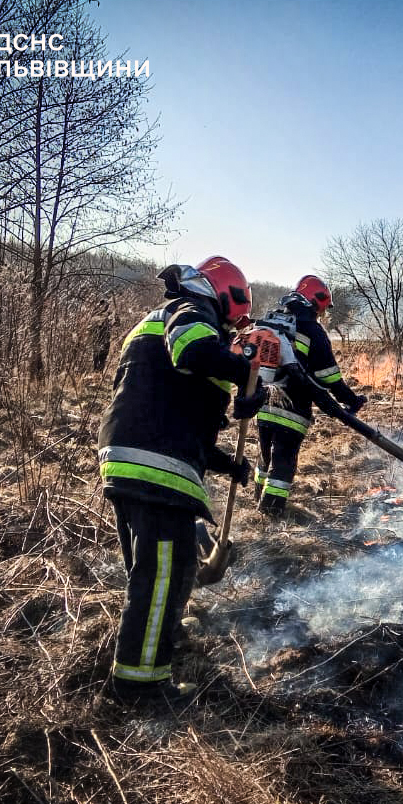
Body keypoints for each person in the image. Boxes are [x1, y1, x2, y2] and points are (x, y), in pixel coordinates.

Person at [97, 256, 266, 706]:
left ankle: (160, 642)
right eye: (237, 319)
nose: (234, 331)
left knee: (155, 572)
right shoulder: (191, 312)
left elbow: (174, 417)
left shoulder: (164, 321)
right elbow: (191, 351)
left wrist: (227, 463)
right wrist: (245, 372)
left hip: (134, 458)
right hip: (153, 467)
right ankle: (141, 688)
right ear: (226, 296)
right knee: (162, 578)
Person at [253, 275, 366, 518]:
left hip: (262, 402)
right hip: (293, 408)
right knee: (283, 462)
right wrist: (351, 400)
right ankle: (271, 514)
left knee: (264, 457)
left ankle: (257, 502)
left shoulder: (275, 321)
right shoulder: (313, 330)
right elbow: (329, 377)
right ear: (318, 303)